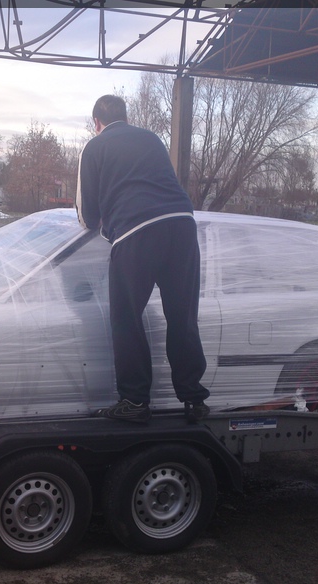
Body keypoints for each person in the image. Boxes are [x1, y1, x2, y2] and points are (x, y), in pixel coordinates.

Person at [75, 94, 210, 422]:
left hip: (136, 230)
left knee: (126, 317)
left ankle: (135, 402)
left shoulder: (94, 147)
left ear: (96, 122)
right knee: (182, 315)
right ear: (126, 116)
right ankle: (194, 399)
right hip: (182, 223)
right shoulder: (151, 139)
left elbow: (87, 214)